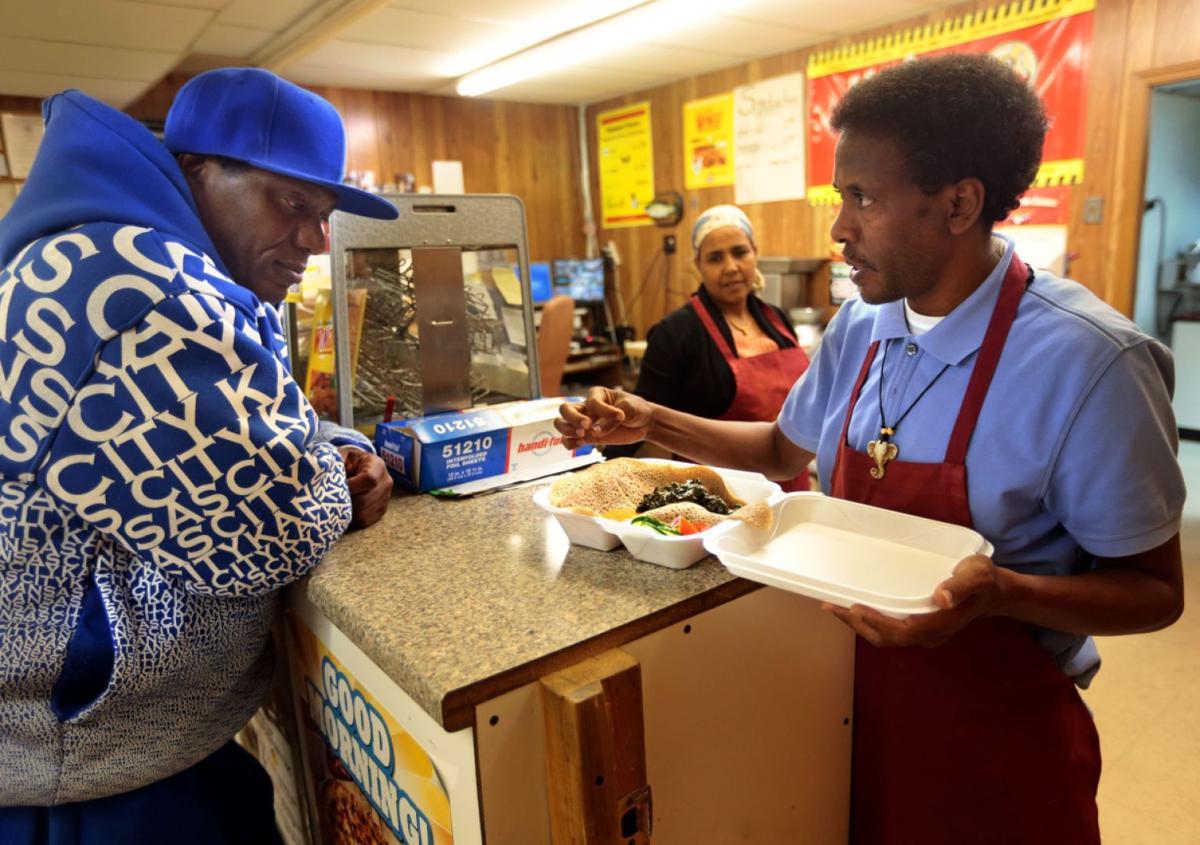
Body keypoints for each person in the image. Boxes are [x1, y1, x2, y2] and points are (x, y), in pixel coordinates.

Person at [556, 54, 1185, 843]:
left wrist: (998, 593)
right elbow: (784, 453)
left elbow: (1155, 592)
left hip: (993, 742)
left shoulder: (1090, 363)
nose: (838, 228)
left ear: (959, 204)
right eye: (839, 196)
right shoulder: (861, 324)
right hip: (838, 705)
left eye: (863, 198)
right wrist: (651, 420)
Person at [0, 68, 396, 843]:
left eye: (324, 213)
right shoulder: (151, 293)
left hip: (100, 750)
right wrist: (340, 475)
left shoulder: (103, 251)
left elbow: (264, 432)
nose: (317, 239)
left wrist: (329, 449)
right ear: (196, 172)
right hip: (88, 782)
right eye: (291, 203)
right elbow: (268, 531)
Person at [616, 205, 810, 489]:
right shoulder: (674, 334)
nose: (731, 267)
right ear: (698, 265)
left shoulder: (777, 319)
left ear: (755, 252)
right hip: (719, 495)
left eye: (740, 252)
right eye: (715, 258)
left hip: (790, 484)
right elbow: (641, 425)